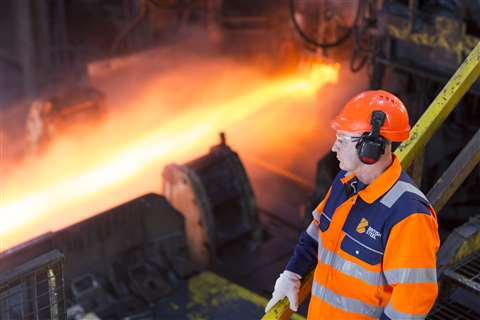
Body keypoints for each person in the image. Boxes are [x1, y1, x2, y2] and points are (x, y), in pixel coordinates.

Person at [265, 90, 440, 319]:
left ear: (370, 148)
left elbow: (412, 301)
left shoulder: (408, 215)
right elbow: (316, 234)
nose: (334, 148)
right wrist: (292, 274)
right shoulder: (345, 182)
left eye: (342, 140)